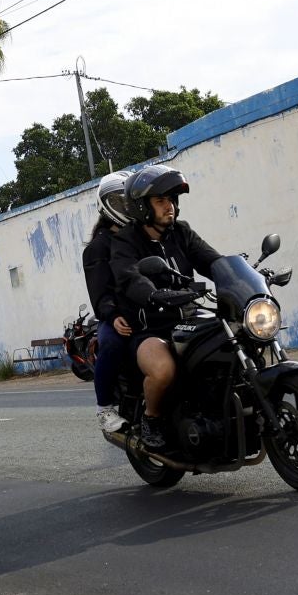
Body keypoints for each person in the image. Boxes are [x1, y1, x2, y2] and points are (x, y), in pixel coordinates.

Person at [109, 164, 221, 451]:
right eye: (161, 201)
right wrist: (155, 295)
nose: (169, 207)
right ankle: (152, 418)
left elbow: (212, 261)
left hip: (189, 319)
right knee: (163, 370)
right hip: (150, 329)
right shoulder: (125, 241)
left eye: (171, 200)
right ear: (142, 207)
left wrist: (239, 273)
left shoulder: (182, 233)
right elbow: (130, 277)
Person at [81, 172, 135, 434]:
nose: (125, 206)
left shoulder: (138, 238)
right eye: (119, 201)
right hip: (116, 315)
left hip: (146, 309)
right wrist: (113, 315)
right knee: (112, 344)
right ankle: (105, 408)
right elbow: (99, 292)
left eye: (128, 200)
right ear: (107, 205)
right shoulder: (98, 246)